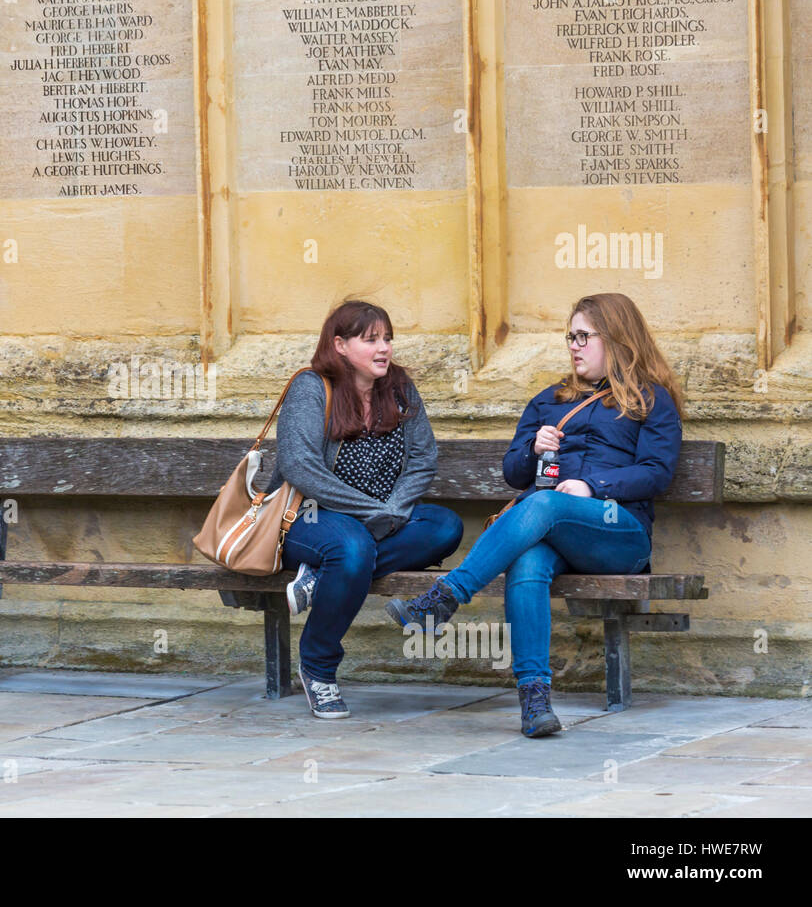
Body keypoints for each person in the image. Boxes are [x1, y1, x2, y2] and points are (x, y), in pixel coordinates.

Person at [386, 293, 683, 737]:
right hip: (554, 532)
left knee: (542, 504)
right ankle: (534, 701)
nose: (574, 345)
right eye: (571, 336)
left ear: (618, 338)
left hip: (616, 533)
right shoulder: (550, 400)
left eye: (584, 336)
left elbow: (657, 473)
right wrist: (533, 449)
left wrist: (593, 487)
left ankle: (445, 596)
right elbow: (513, 472)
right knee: (527, 561)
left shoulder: (650, 400)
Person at [268, 300, 464, 719]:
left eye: (388, 339)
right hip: (310, 517)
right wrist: (374, 512)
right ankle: (318, 667)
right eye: (370, 339)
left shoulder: (399, 388)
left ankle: (321, 577)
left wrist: (394, 509)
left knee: (444, 526)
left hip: (380, 519)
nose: (384, 348)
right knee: (351, 546)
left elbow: (423, 459)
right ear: (339, 345)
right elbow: (299, 467)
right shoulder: (311, 386)